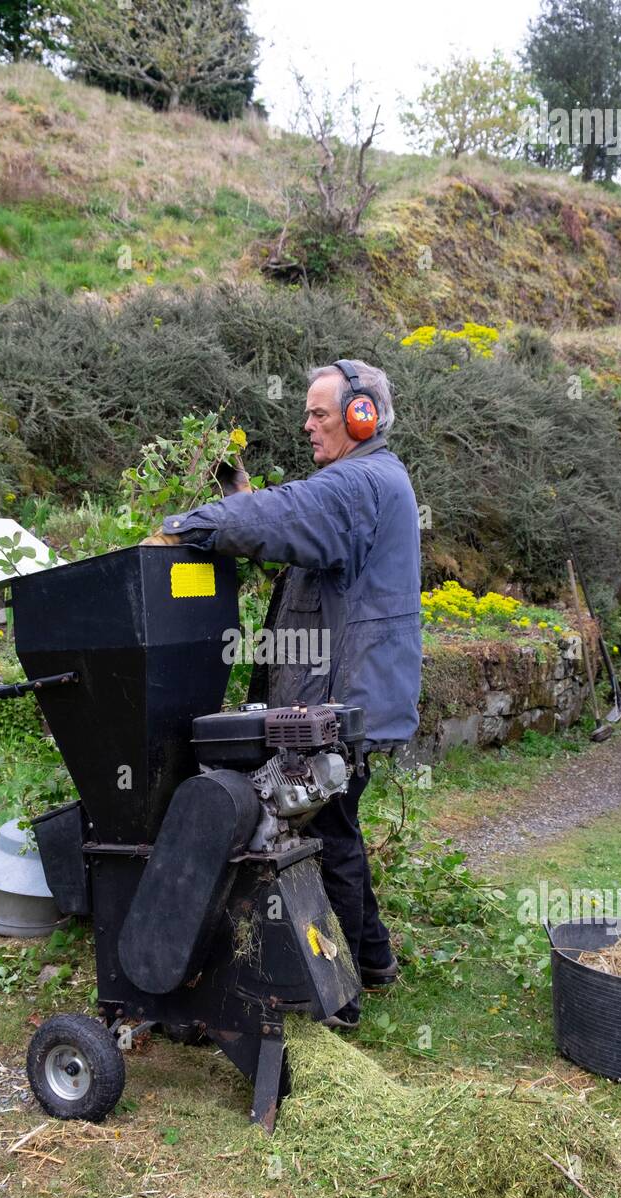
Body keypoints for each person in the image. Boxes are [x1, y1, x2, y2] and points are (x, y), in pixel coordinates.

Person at [142, 360, 422, 1026]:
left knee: (327, 838)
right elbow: (298, 531)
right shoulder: (366, 482)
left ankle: (340, 998)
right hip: (352, 695)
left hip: (343, 699)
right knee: (340, 823)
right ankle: (375, 961)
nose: (307, 425)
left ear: (362, 416)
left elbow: (286, 516)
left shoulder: (359, 482)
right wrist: (245, 498)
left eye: (318, 414)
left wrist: (189, 526)